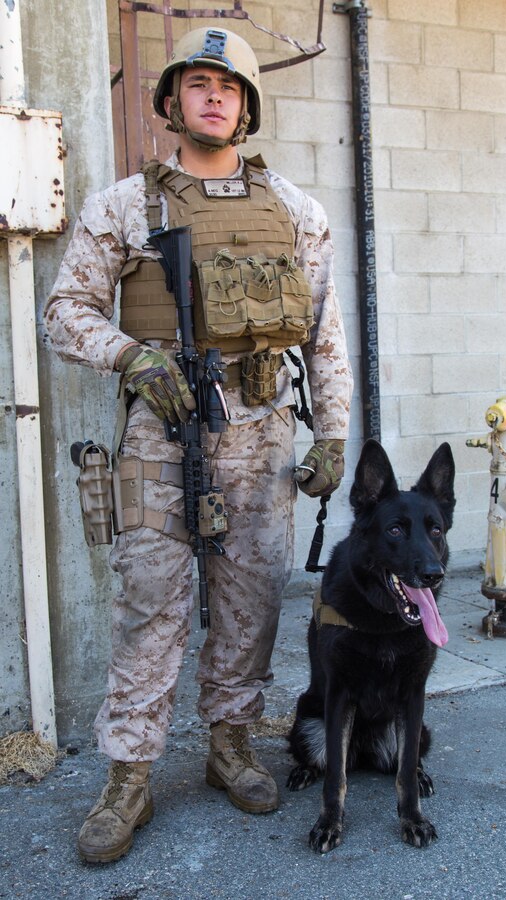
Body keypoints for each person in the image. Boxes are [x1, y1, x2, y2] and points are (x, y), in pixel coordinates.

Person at [45, 26, 353, 864]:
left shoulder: (295, 209)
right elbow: (64, 313)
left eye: (229, 85)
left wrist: (332, 435)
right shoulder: (124, 206)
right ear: (172, 100)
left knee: (253, 598)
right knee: (148, 599)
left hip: (260, 430)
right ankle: (129, 775)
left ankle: (229, 744)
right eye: (198, 82)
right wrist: (132, 354)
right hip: (159, 429)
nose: (214, 95)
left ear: (246, 106)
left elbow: (323, 337)